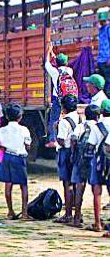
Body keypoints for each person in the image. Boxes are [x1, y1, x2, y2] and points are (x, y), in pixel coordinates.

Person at [0, 103, 31, 220]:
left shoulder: (3, 130)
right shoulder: (24, 129)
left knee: (8, 184)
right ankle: (25, 213)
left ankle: (10, 211)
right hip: (19, 157)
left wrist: (0, 146)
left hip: (7, 156)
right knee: (23, 185)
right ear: (20, 117)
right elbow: (27, 145)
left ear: (6, 116)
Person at [70, 104, 101, 227]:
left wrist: (73, 153)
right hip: (95, 161)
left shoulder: (80, 126)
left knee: (79, 188)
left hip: (80, 160)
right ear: (97, 116)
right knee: (96, 191)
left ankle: (77, 218)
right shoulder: (99, 127)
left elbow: (73, 139)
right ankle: (97, 221)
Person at [54, 94, 80, 224]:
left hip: (66, 152)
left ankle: (68, 214)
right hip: (76, 153)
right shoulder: (78, 117)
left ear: (63, 107)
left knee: (67, 183)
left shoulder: (64, 122)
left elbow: (61, 140)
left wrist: (56, 128)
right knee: (76, 183)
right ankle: (77, 214)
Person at [45, 43, 75, 148]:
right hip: (69, 97)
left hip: (58, 99)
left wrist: (48, 51)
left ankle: (53, 140)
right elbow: (58, 64)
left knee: (54, 119)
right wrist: (54, 54)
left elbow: (47, 64)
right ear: (66, 63)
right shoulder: (70, 71)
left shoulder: (54, 72)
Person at [87, 99, 110, 232]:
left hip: (99, 161)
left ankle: (97, 223)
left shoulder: (97, 126)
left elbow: (91, 145)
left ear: (101, 112)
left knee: (97, 191)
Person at [97, 12, 110, 97]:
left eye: (103, 21)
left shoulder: (108, 29)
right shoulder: (101, 30)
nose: (102, 22)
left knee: (108, 81)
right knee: (102, 81)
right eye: (101, 21)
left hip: (106, 59)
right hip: (101, 60)